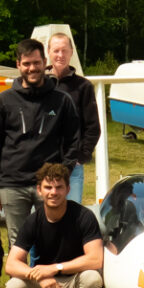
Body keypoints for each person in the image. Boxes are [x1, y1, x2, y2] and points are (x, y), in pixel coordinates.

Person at [0, 38, 80, 247]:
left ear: (44, 62)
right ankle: (19, 281)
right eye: (27, 64)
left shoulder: (62, 100)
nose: (32, 68)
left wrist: (61, 176)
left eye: (36, 63)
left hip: (49, 185)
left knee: (51, 241)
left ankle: (50, 280)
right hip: (12, 184)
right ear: (18, 65)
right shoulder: (3, 101)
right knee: (17, 243)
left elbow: (73, 141)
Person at [5, 163, 103, 288]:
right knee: (14, 287)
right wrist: (38, 277)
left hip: (74, 283)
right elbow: (11, 264)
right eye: (48, 187)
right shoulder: (33, 220)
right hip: (44, 285)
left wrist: (54, 268)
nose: (53, 192)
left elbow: (96, 259)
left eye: (59, 187)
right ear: (39, 190)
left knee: (93, 279)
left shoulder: (84, 216)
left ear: (68, 189)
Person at [46, 32, 100, 204]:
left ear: (71, 52)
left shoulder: (83, 86)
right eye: (56, 50)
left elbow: (93, 126)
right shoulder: (39, 83)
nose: (60, 55)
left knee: (71, 216)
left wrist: (81, 156)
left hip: (72, 167)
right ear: (48, 52)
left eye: (64, 50)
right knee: (41, 218)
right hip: (42, 164)